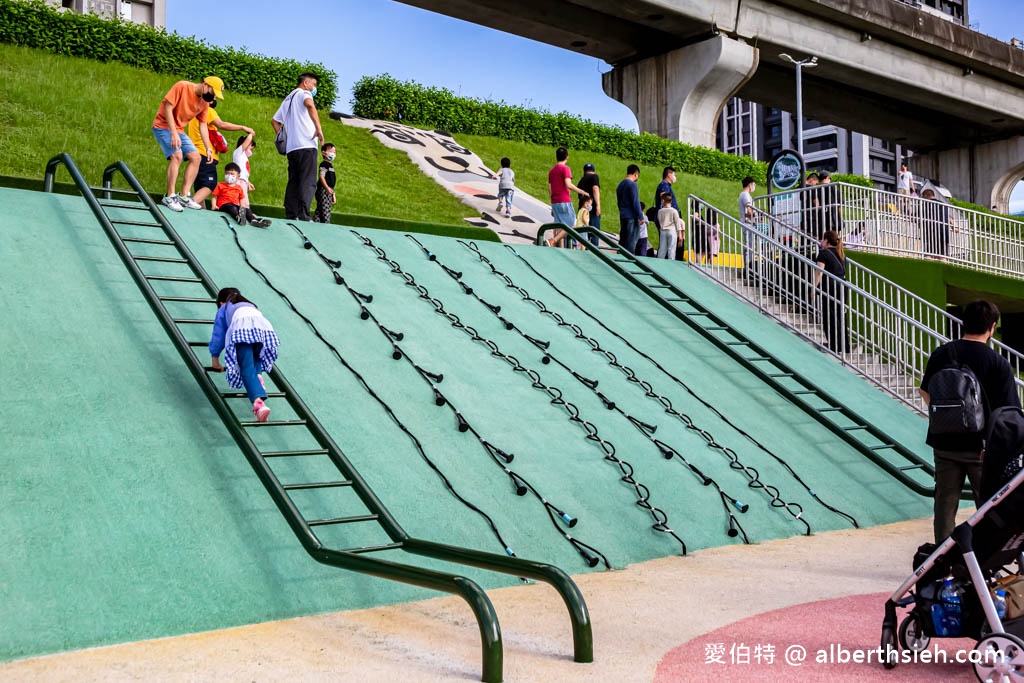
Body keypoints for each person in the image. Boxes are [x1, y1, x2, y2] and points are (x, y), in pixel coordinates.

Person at [920, 300, 1021, 543]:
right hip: (982, 450)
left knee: (945, 502)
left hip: (943, 444)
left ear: (963, 324)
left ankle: (940, 561)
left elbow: (925, 392)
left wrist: (948, 419)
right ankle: (981, 560)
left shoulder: (942, 354)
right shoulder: (998, 363)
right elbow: (1009, 413)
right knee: (986, 506)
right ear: (992, 327)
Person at [152, 76, 224, 212]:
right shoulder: (182, 86)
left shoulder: (204, 103)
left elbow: (203, 125)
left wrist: (208, 148)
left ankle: (184, 195)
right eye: (212, 93)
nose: (212, 97)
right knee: (177, 156)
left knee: (196, 158)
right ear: (205, 85)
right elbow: (168, 107)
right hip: (162, 126)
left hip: (179, 130)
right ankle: (169, 196)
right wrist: (173, 133)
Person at [210, 287, 280, 423]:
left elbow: (218, 335)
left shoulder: (225, 308)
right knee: (257, 356)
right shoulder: (250, 304)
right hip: (262, 329)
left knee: (246, 366)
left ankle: (258, 404)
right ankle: (258, 376)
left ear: (221, 302)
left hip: (242, 329)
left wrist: (215, 359)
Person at [272, 72, 325, 221]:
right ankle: (303, 215)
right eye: (313, 85)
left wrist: (285, 139)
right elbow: (310, 104)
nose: (314, 88)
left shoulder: (288, 99)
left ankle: (291, 214)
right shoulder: (303, 93)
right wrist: (318, 128)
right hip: (307, 144)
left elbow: (275, 121)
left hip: (292, 148)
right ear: (306, 83)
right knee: (307, 181)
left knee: (294, 181)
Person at [187, 97, 254, 206]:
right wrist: (242, 127)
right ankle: (190, 203)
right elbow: (221, 124)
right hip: (205, 153)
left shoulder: (195, 113)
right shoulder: (208, 110)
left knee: (200, 187)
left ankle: (199, 213)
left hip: (195, 152)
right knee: (210, 184)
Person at [812, 230, 849, 354]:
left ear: (827, 240)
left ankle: (834, 345)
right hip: (842, 287)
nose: (821, 241)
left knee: (830, 316)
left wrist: (813, 288)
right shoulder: (841, 254)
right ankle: (844, 346)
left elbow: (819, 272)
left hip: (830, 287)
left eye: (822, 239)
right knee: (840, 316)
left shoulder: (823, 254)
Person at [545, 147, 589, 247]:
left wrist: (552, 204)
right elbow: (568, 184)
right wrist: (582, 191)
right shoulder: (565, 168)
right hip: (564, 200)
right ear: (567, 157)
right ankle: (553, 240)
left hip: (555, 201)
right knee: (572, 224)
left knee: (560, 226)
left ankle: (561, 248)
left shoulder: (552, 171)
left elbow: (550, 189)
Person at [209, 163, 271, 228]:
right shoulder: (220, 185)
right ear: (224, 174)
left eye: (232, 174)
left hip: (235, 205)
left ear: (238, 176)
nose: (229, 176)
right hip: (224, 205)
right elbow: (214, 196)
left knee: (247, 209)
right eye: (227, 173)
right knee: (232, 208)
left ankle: (253, 220)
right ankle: (238, 218)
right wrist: (214, 205)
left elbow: (241, 199)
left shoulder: (239, 188)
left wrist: (243, 208)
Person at [616, 164, 645, 254]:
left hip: (623, 215)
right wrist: (641, 216)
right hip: (631, 217)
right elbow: (635, 202)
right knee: (631, 243)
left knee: (623, 241)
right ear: (636, 174)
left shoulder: (620, 185)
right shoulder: (632, 185)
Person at [920, 188, 951, 261]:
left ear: (925, 196)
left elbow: (919, 216)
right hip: (944, 230)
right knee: (942, 255)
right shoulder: (943, 204)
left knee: (928, 254)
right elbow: (949, 218)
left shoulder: (926, 204)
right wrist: (954, 227)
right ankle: (944, 266)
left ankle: (928, 267)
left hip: (932, 230)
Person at [577, 163, 602, 246]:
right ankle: (594, 253)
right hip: (593, 210)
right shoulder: (594, 177)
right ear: (594, 171)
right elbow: (595, 189)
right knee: (594, 233)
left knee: (585, 234)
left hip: (582, 210)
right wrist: (598, 205)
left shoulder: (581, 180)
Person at [739, 176, 757, 280]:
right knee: (749, 246)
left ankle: (748, 266)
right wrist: (756, 216)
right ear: (750, 184)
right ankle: (748, 267)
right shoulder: (745, 195)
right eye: (753, 184)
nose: (754, 186)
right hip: (748, 224)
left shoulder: (743, 194)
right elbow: (749, 209)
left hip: (747, 223)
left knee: (748, 246)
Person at [314, 143, 337, 224]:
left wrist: (333, 194)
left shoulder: (330, 166)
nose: (333, 154)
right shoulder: (324, 165)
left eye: (334, 152)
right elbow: (322, 177)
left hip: (329, 190)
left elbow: (331, 182)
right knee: (324, 209)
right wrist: (327, 188)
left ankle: (316, 222)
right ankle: (326, 224)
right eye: (331, 152)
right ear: (324, 153)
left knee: (321, 209)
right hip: (323, 190)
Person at [657, 192, 683, 260]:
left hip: (663, 231)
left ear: (663, 201)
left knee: (662, 249)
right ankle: (671, 263)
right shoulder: (674, 211)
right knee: (671, 249)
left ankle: (659, 263)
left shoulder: (660, 211)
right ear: (671, 201)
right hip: (671, 231)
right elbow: (677, 222)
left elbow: (659, 221)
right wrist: (679, 234)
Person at [818, 171, 844, 236]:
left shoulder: (817, 189)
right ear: (828, 177)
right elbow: (839, 205)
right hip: (834, 219)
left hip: (821, 219)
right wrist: (840, 218)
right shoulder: (834, 188)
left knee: (822, 238)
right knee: (833, 238)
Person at [802, 172, 823, 239]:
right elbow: (817, 203)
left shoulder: (797, 188)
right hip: (811, 217)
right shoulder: (812, 189)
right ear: (811, 180)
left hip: (800, 218)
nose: (815, 185)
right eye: (816, 183)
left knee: (803, 237)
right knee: (812, 238)